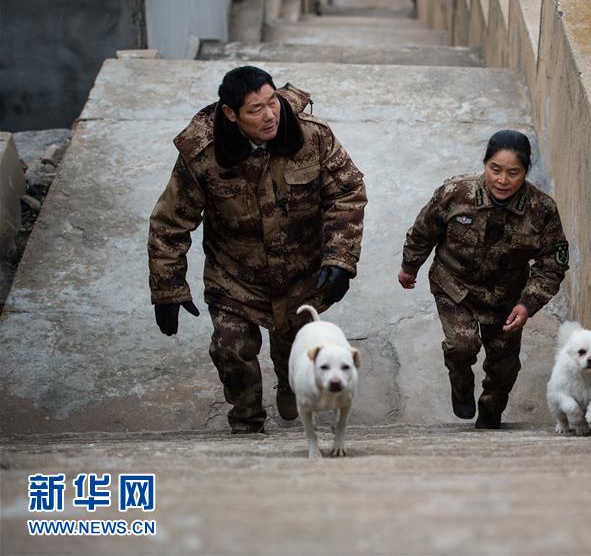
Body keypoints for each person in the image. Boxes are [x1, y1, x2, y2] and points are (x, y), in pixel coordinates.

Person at [148, 66, 366, 434]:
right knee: (230, 350)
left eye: (273, 103)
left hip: (300, 274)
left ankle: (288, 384)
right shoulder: (202, 153)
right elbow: (170, 223)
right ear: (231, 114)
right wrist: (167, 289)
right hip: (235, 277)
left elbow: (346, 193)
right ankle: (246, 422)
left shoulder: (313, 136)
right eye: (255, 109)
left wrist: (341, 258)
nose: (269, 116)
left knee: (292, 350)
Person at [398, 130, 568, 429]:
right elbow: (424, 230)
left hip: (506, 298)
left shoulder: (542, 210)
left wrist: (528, 304)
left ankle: (489, 417)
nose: (502, 180)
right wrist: (409, 266)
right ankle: (461, 384)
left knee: (503, 368)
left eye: (513, 173)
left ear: (526, 172)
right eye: (495, 169)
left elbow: (552, 264)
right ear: (485, 164)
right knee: (461, 346)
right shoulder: (455, 193)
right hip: (455, 286)